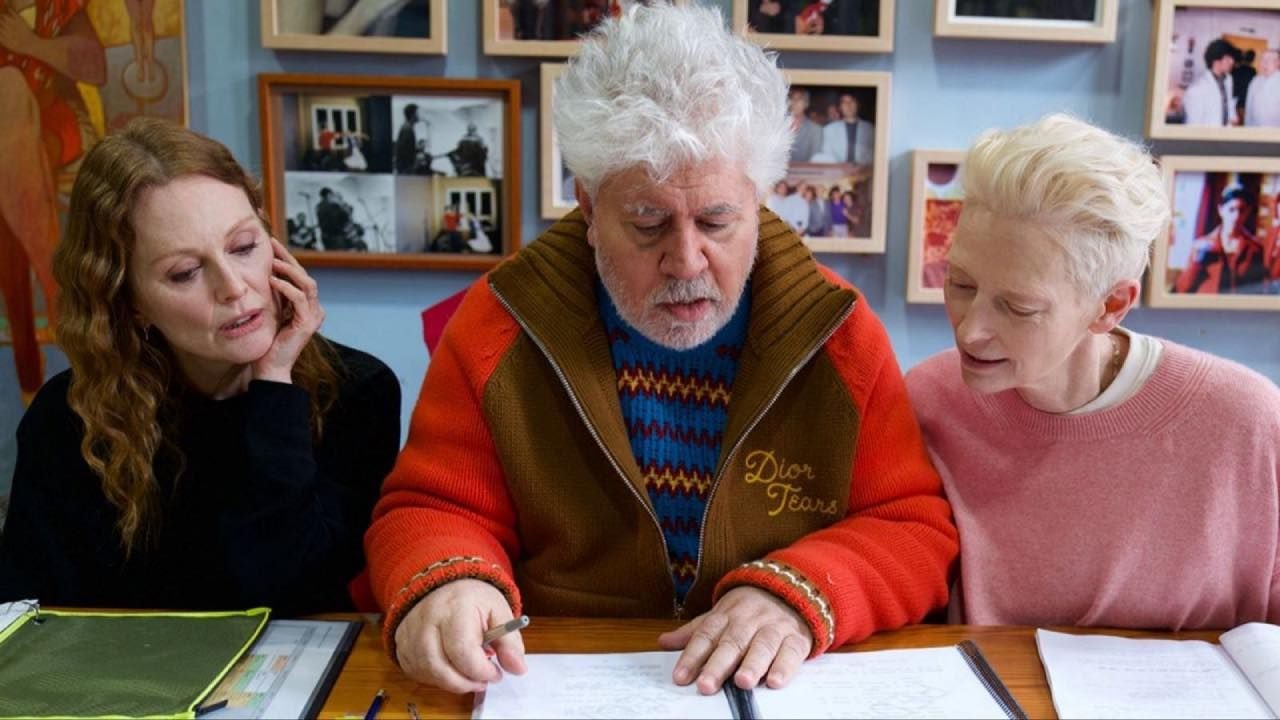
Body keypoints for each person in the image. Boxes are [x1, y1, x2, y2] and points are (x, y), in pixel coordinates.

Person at [365, 2, 956, 697]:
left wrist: (798, 594)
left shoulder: (839, 333)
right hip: (559, 680)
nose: (686, 261)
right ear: (587, 207)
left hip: (769, 687)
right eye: (647, 223)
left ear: (761, 200)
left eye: (717, 220)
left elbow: (911, 527)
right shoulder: (498, 325)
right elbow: (431, 509)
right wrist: (451, 581)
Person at [0, 118, 401, 614]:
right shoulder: (69, 417)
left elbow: (296, 593)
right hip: (119, 684)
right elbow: (25, 609)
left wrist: (274, 386)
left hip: (294, 681)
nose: (234, 287)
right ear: (131, 301)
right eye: (185, 272)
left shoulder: (359, 391)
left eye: (243, 247)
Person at [905, 114, 1280, 630]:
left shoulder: (1248, 423)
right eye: (961, 285)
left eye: (1017, 308)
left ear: (1110, 306)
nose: (969, 332)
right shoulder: (927, 400)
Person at [1174, 183, 1268, 295]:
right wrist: (1197, 263)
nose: (1236, 216)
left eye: (1241, 210)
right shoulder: (1201, 246)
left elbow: (1258, 288)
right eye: (1231, 210)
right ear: (1221, 210)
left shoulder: (1255, 249)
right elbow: (1182, 288)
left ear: (1247, 212)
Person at [1182, 38, 1240, 127]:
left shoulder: (1228, 79)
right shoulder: (1197, 89)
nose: (1232, 62)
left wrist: (1232, 117)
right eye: (1228, 58)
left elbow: (1228, 102)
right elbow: (1192, 126)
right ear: (1216, 61)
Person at [818, 92, 874, 165]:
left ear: (857, 104)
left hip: (864, 171)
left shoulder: (870, 129)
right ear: (840, 108)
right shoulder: (829, 129)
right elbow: (827, 153)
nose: (848, 105)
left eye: (852, 101)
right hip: (837, 171)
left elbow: (874, 154)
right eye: (844, 102)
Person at [786, 88, 823, 163]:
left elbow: (815, 159)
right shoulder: (778, 126)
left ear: (806, 103)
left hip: (804, 173)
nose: (795, 102)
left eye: (799, 99)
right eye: (792, 99)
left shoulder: (815, 129)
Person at [1244, 48, 1280, 127]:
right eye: (1262, 59)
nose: (1264, 63)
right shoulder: (1255, 81)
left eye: (1269, 60)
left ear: (1278, 63)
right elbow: (1249, 108)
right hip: (1255, 132)